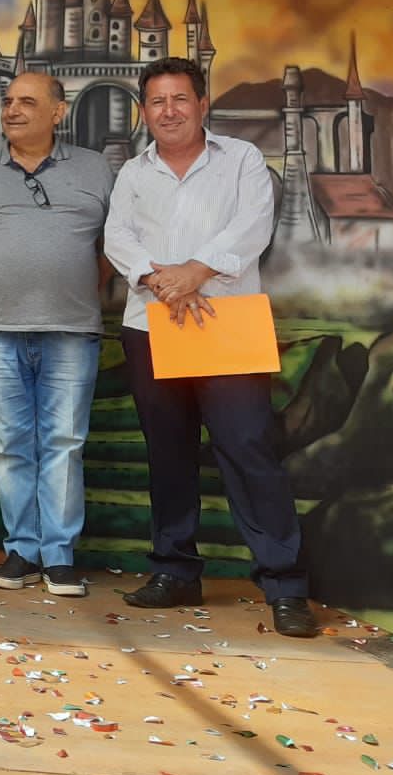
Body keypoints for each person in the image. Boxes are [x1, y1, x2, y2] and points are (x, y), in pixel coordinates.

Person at [104, 56, 318, 638]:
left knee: (248, 448)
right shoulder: (134, 173)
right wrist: (160, 281)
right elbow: (117, 235)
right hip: (152, 325)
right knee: (168, 451)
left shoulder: (242, 160)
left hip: (227, 322)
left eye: (180, 99)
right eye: (157, 101)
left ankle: (285, 586)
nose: (168, 111)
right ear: (143, 111)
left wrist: (195, 272)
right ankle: (175, 571)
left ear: (202, 105)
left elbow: (252, 226)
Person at [0, 71, 112, 597]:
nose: (12, 110)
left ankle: (59, 556)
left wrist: (78, 286)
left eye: (27, 101)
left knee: (65, 443)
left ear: (58, 112)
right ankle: (22, 551)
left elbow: (118, 243)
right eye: (7, 101)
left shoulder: (95, 169)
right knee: (8, 446)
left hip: (71, 328)